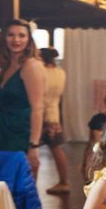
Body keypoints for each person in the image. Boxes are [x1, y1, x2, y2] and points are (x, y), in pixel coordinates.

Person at [0, 19, 47, 179]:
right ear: (4, 38)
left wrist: (33, 145)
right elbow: (2, 103)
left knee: (21, 183)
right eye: (11, 35)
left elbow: (38, 108)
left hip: (22, 133)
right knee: (2, 183)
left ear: (29, 39)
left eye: (21, 35)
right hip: (3, 131)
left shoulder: (31, 65)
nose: (16, 40)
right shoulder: (7, 65)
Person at [39, 48, 70, 194]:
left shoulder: (41, 72)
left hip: (40, 113)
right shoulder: (60, 72)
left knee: (31, 150)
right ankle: (64, 181)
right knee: (57, 148)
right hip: (54, 114)